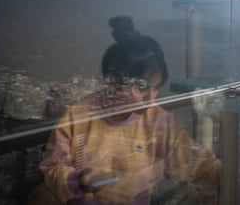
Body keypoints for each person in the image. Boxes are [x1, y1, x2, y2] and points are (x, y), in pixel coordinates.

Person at [38, 16, 220, 204]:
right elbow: (52, 168)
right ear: (112, 81)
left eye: (156, 88)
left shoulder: (157, 120)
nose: (151, 99)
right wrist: (78, 179)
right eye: (142, 87)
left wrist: (223, 174)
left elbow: (194, 161)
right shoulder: (79, 116)